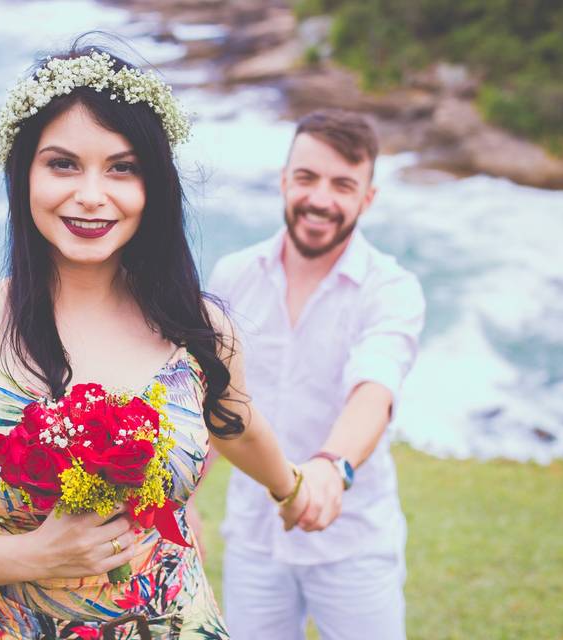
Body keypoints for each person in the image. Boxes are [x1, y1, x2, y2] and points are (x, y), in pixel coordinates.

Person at [0, 43, 320, 640]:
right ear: (22, 171)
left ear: (153, 186)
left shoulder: (200, 331)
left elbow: (237, 421)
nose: (92, 195)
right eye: (63, 164)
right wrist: (34, 556)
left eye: (122, 168)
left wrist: (293, 487)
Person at [206, 109, 426, 640]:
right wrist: (181, 503)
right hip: (254, 540)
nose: (320, 199)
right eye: (307, 178)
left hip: (353, 544)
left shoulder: (391, 288)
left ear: (367, 198)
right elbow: (214, 399)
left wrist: (332, 467)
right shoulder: (233, 275)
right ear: (285, 181)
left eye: (343, 184)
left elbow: (373, 391)